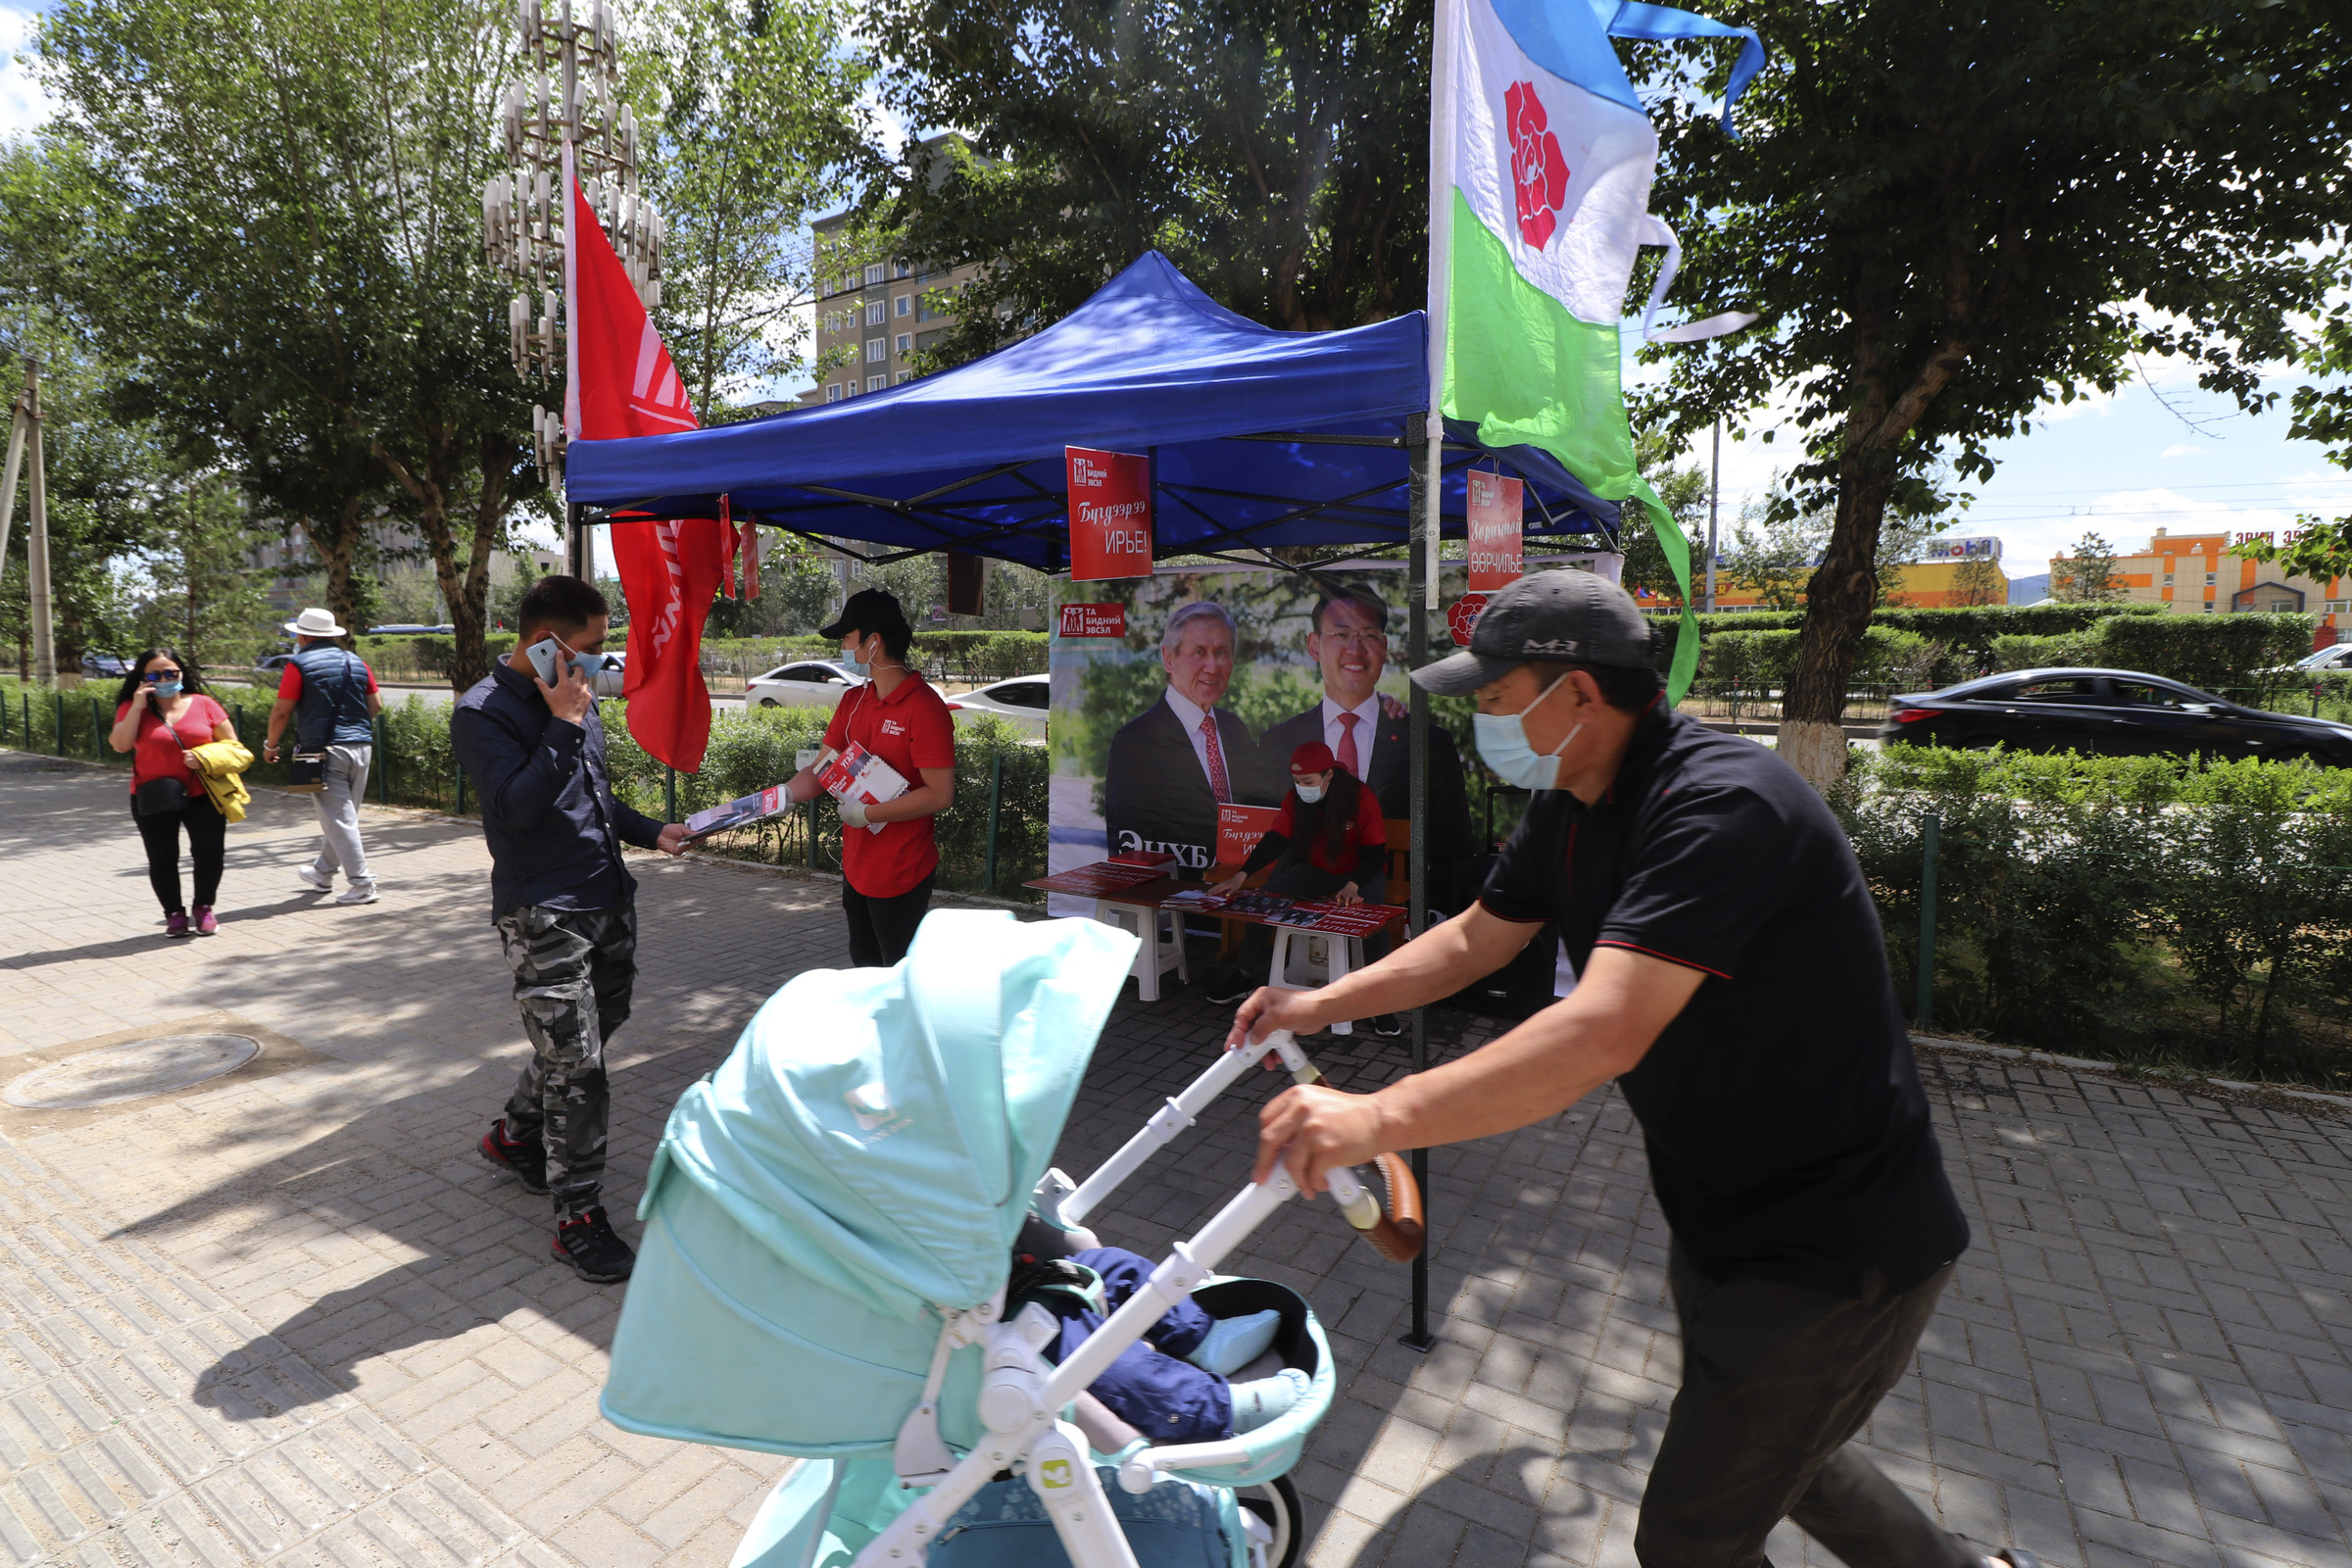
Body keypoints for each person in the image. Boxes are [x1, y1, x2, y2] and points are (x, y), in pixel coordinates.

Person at [1229, 570, 2033, 1568]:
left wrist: (1375, 1117)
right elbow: (1478, 938)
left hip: (1837, 1247)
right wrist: (1316, 1001)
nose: (1482, 715)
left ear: (1577, 693)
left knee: (1693, 1538)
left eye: (1495, 693)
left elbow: (1600, 1033)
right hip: (1723, 1219)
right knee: (1792, 1456)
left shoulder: (1718, 806)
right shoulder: (1572, 798)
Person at [451, 575, 691, 1284]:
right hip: (542, 911)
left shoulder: (576, 700)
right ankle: (578, 1216)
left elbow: (594, 799)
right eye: (588, 649)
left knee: (588, 1035)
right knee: (579, 1066)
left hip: (606, 898)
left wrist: (655, 831)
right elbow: (518, 809)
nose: (596, 664)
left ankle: (513, 1137)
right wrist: (559, 722)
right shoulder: (483, 712)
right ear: (545, 643)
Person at [782, 588, 956, 967]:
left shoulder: (924, 708)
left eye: (847, 638)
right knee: (864, 969)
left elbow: (940, 794)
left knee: (897, 977)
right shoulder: (853, 700)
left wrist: (869, 815)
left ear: (873, 642)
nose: (844, 647)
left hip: (902, 874)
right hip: (858, 869)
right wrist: (784, 795)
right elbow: (821, 771)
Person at [1255, 583, 1473, 886]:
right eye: (1341, 634)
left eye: (1369, 636)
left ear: (1383, 648)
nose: (1355, 649)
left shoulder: (1428, 743)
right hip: (1301, 913)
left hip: (1402, 916)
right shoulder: (1277, 743)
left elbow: (1456, 846)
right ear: (1314, 646)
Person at [1202, 742, 1395, 1024]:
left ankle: (1381, 1004)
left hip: (1362, 872)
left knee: (1372, 918)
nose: (1302, 786)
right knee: (1265, 898)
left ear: (1329, 775)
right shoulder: (1296, 799)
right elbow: (1277, 838)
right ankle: (1243, 974)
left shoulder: (1359, 796)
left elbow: (1375, 854)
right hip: (1319, 869)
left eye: (1308, 781)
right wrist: (1241, 876)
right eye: (1296, 781)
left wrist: (1353, 885)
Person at [1102, 600, 1281, 870]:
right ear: (1168, 658)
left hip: (1236, 892)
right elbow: (1128, 845)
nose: (1212, 666)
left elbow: (1255, 810)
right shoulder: (1135, 743)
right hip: (1174, 900)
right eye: (1199, 652)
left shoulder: (1235, 730)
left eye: (1221, 652)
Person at [108, 648, 240, 938]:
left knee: (210, 853)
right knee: (163, 858)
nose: (164, 678)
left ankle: (203, 907)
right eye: (155, 674)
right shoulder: (134, 707)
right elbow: (120, 745)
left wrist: (204, 758)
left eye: (171, 672)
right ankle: (174, 914)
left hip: (203, 793)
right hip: (153, 794)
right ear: (142, 678)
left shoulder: (204, 704)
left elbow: (233, 746)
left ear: (182, 673)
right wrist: (136, 707)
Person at [263, 607, 385, 906]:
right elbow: (376, 704)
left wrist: (271, 745)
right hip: (362, 747)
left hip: (324, 751)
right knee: (343, 817)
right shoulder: (356, 661)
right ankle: (322, 872)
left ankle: (362, 884)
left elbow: (281, 711)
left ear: (302, 636)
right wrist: (353, 729)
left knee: (340, 820)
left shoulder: (298, 664)